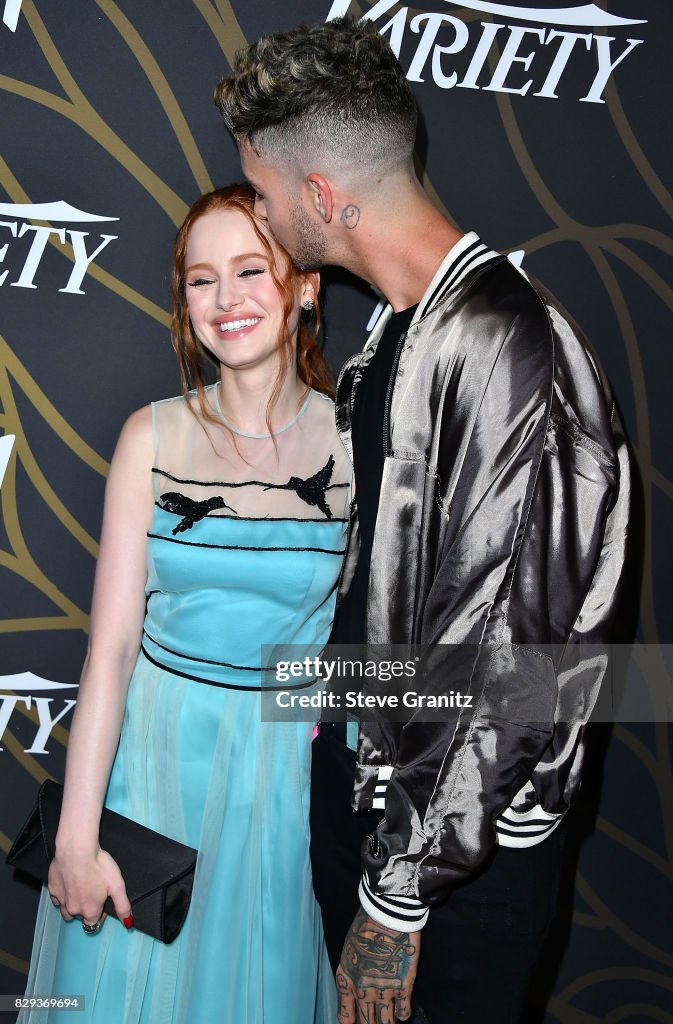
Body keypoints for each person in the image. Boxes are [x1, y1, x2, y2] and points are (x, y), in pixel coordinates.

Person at [214, 17, 633, 1024]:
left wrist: (397, 898)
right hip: (379, 818)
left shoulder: (505, 347)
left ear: (321, 197)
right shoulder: (398, 335)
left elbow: (513, 666)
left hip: (453, 872)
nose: (263, 221)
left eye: (265, 198)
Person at [19, 184, 349, 1024]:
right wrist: (75, 837)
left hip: (279, 787)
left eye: (250, 269)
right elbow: (112, 649)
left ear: (305, 284)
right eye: (201, 280)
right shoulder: (150, 436)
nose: (225, 299)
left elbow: (377, 649)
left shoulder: (361, 445)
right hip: (150, 770)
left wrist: (540, 691)